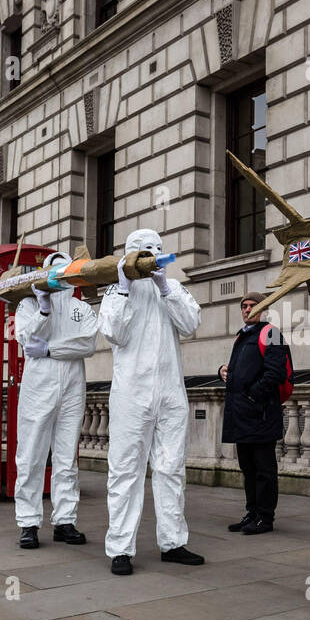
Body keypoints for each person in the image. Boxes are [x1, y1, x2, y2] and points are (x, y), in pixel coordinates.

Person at [97, 228, 204, 575]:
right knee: (126, 469)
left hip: (171, 390)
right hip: (132, 391)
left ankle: (173, 541)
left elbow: (191, 324)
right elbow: (114, 331)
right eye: (146, 249)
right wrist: (126, 288)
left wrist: (165, 287)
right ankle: (121, 548)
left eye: (159, 248)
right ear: (131, 253)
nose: (155, 254)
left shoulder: (170, 288)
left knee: (171, 468)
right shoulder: (116, 292)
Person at [14, 251, 99, 550]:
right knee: (32, 455)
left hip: (72, 386)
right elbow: (26, 340)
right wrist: (44, 311)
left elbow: (88, 344)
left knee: (66, 458)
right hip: (39, 386)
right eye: (55, 269)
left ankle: (65, 520)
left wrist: (51, 349)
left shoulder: (80, 307)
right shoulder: (27, 305)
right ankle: (28, 522)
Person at [219, 291, 288, 535]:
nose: (247, 310)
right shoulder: (243, 337)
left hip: (260, 414)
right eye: (244, 306)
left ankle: (265, 517)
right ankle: (253, 513)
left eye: (252, 306)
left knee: (264, 470)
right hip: (242, 416)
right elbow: (242, 371)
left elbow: (275, 373)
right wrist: (223, 371)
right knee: (248, 469)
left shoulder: (272, 334)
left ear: (264, 308)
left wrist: (253, 396)